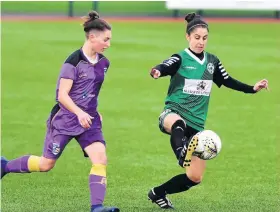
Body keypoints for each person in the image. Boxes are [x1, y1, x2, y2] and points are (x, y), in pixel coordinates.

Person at [148, 12, 269, 209]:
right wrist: (157, 71)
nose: (201, 42)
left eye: (205, 38)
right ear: (188, 37)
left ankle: (158, 193)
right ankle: (181, 153)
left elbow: (228, 80)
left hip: (196, 126)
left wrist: (252, 89)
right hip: (173, 113)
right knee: (178, 123)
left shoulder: (212, 62)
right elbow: (165, 65)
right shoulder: (180, 58)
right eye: (197, 38)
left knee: (195, 177)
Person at [1, 11, 119, 212]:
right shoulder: (72, 62)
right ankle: (4, 166)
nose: (108, 44)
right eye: (105, 39)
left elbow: (91, 91)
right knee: (46, 164)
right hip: (65, 120)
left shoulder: (104, 63)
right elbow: (62, 96)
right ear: (92, 37)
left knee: (100, 158)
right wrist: (79, 113)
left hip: (89, 121)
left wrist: (93, 111)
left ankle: (97, 207)